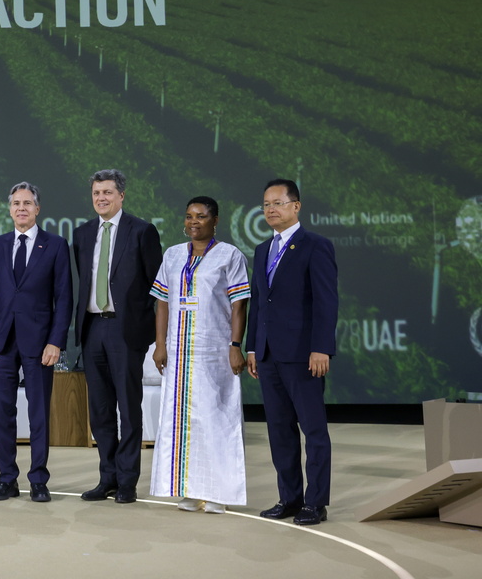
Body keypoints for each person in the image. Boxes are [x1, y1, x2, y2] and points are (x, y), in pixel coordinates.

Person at [246, 178, 338, 526]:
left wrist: (321, 348)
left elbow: (327, 302)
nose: (271, 210)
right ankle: (289, 498)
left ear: (295, 207)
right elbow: (259, 305)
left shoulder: (316, 245)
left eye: (278, 203)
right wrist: (253, 346)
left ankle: (316, 502)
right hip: (268, 357)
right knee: (279, 431)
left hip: (303, 356)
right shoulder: (261, 250)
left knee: (313, 431)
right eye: (266, 204)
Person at [149, 196, 249, 514]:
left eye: (202, 216)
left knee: (216, 418)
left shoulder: (229, 255)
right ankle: (189, 490)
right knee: (182, 420)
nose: (194, 222)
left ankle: (219, 493)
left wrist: (235, 346)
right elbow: (163, 302)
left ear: (215, 220)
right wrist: (160, 344)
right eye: (189, 216)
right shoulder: (173, 255)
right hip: (178, 353)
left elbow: (239, 305)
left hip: (214, 351)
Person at [0, 182, 72, 503]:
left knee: (39, 414)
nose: (21, 208)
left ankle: (39, 480)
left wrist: (56, 341)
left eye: (27, 203)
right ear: (9, 209)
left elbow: (64, 298)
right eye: (16, 203)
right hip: (1, 342)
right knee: (2, 412)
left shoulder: (56, 245)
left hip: (40, 343)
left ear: (37, 209)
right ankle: (7, 479)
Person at [72, 169, 163, 504]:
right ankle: (106, 478)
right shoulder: (82, 234)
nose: (101, 199)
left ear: (121, 195)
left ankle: (127, 482)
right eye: (96, 193)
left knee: (128, 407)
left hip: (126, 331)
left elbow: (158, 286)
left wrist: (142, 322)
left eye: (108, 193)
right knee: (100, 410)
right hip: (92, 329)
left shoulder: (142, 231)